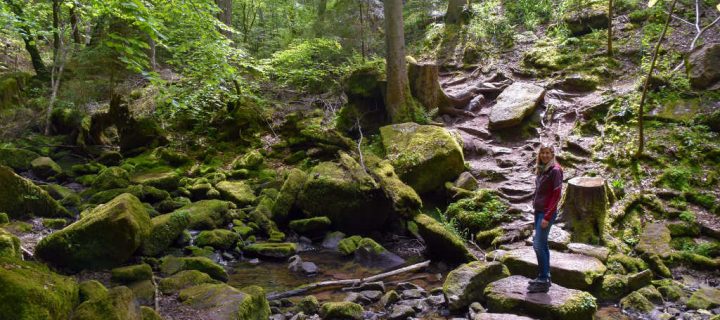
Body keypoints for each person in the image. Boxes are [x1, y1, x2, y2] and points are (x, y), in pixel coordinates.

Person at [527, 143, 563, 294]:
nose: (545, 156)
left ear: (553, 154)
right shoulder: (543, 169)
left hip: (546, 213)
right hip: (539, 211)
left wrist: (547, 216)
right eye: (543, 153)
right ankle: (544, 277)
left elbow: (556, 195)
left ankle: (543, 278)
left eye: (548, 153)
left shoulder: (555, 170)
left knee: (537, 245)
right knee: (542, 244)